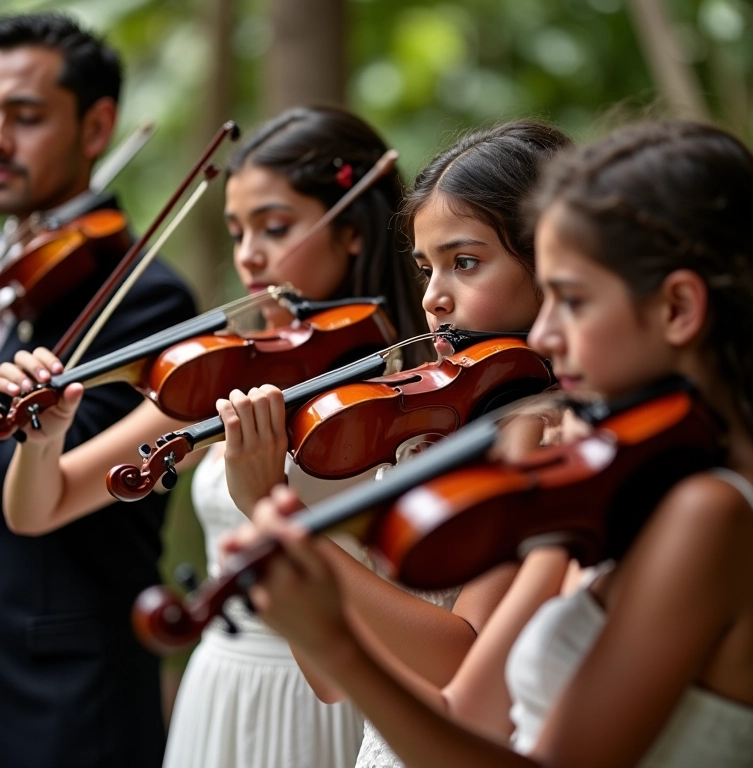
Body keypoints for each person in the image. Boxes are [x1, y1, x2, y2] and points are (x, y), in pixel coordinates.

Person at [223, 120, 753, 768]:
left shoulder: (709, 511)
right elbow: (466, 714)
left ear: (677, 308)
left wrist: (333, 634)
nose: (547, 333)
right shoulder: (600, 475)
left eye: (572, 299)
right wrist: (322, 629)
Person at [0, 104, 429, 768]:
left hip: (333, 694)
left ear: (351, 231)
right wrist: (42, 437)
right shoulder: (229, 371)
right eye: (236, 231)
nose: (249, 254)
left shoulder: (420, 387)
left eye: (275, 227)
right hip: (222, 684)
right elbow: (38, 508)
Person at [219, 120, 577, 768]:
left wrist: (280, 518)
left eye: (464, 262)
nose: (434, 297)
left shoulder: (540, 434)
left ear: (550, 262)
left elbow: (462, 658)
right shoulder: (438, 427)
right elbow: (328, 681)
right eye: (425, 268)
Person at [0, 11, 196, 768]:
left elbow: (45, 486)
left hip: (66, 695)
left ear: (97, 127)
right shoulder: (19, 282)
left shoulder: (144, 299)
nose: (1, 140)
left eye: (25, 117)